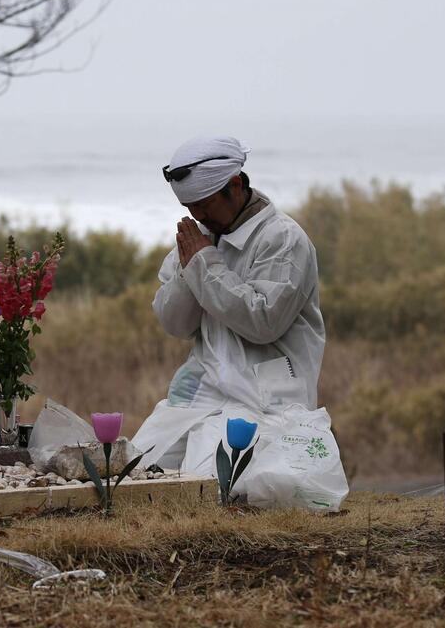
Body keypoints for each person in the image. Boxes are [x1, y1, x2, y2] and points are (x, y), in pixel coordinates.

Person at [133, 136, 326, 472]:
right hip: (200, 388)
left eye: (205, 206)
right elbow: (175, 324)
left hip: (265, 397)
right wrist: (190, 267)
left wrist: (205, 265)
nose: (198, 216)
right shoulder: (202, 237)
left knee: (209, 482)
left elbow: (263, 322)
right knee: (137, 467)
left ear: (235, 186)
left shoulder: (282, 239)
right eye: (190, 208)